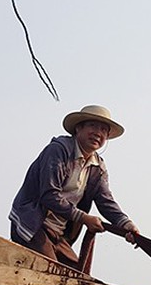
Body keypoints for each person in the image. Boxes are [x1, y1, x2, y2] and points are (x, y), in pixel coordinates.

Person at [9, 105, 139, 270]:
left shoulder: (97, 166)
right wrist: (85, 218)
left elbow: (105, 200)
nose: (98, 133)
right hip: (33, 225)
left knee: (78, 278)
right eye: (92, 126)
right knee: (52, 273)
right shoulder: (58, 150)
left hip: (59, 232)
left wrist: (125, 223)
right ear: (78, 128)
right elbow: (49, 195)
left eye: (103, 130)